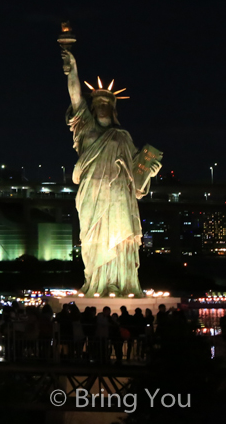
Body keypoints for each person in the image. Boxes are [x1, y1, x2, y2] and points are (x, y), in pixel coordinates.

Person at [62, 50, 162, 296]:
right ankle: (96, 282)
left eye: (108, 103)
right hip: (92, 193)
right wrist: (73, 68)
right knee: (93, 239)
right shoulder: (85, 127)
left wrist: (150, 172)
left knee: (121, 238)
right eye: (99, 102)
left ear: (113, 107)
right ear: (93, 107)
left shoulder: (123, 136)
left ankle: (121, 282)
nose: (103, 106)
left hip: (119, 195)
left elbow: (136, 176)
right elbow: (75, 96)